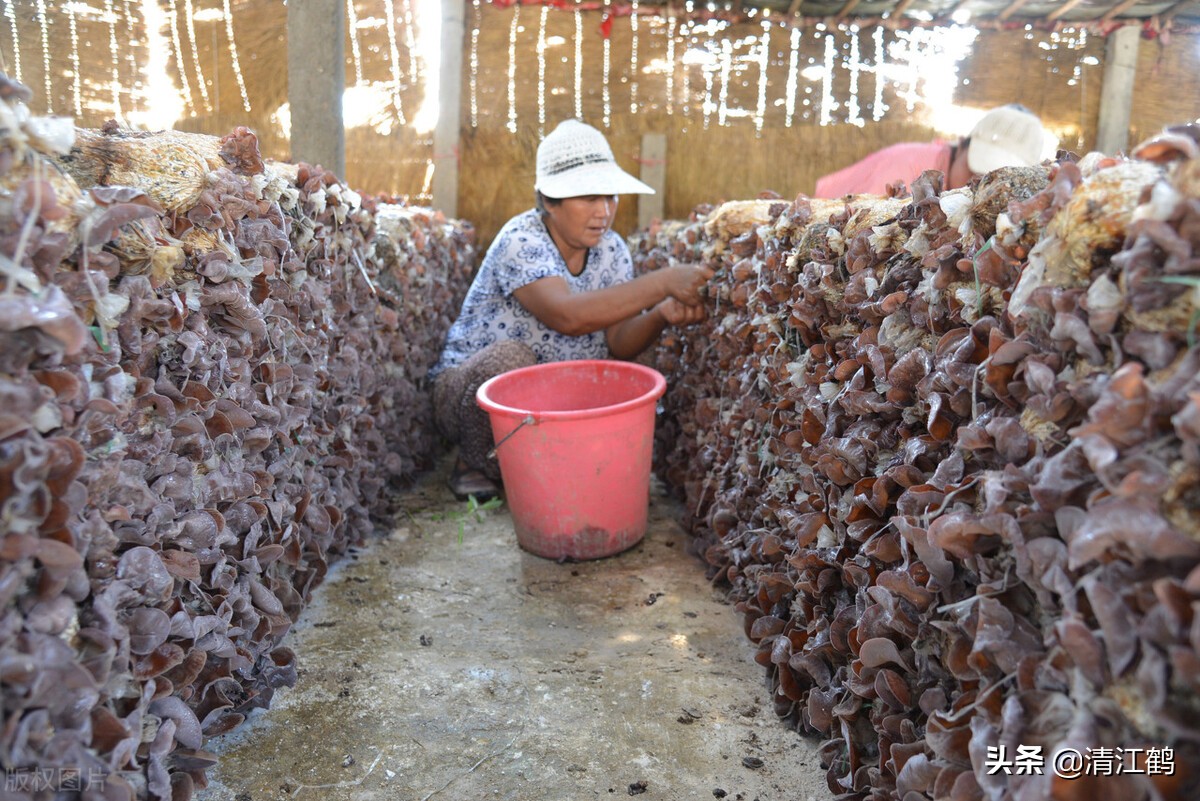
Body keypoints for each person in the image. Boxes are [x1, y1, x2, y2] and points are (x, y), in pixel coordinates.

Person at [430, 119, 713, 500]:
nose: (604, 211)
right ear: (549, 200)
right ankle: (474, 461)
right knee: (509, 361)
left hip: (556, 401)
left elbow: (620, 342)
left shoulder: (611, 250)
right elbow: (567, 317)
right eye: (589, 198)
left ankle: (556, 457)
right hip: (468, 397)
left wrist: (660, 313)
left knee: (639, 361)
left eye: (610, 197)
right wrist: (662, 282)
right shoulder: (521, 239)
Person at [813, 104, 1047, 198]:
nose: (976, 184)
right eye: (975, 171)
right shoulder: (907, 169)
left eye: (990, 181)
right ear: (963, 144)